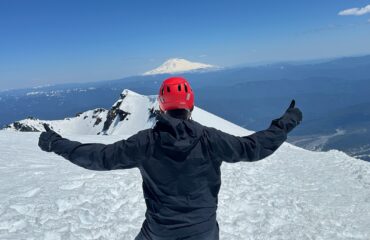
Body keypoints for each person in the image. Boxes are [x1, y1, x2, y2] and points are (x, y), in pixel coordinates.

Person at [39, 76, 302, 240]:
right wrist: (285, 123)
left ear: (161, 106)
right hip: (204, 229)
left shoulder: (145, 142)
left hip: (160, 230)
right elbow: (252, 147)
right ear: (191, 104)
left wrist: (57, 144)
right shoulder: (210, 138)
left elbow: (100, 157)